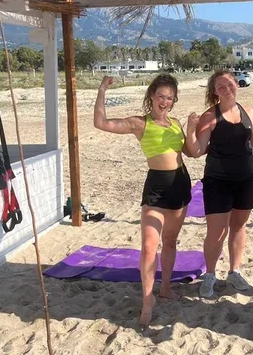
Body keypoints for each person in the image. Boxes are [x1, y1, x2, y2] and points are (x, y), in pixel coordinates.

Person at [93, 74, 191, 329]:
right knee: (148, 247)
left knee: (170, 241)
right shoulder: (140, 123)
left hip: (180, 185)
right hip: (156, 189)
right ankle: (148, 300)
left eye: (170, 98)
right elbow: (101, 123)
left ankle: (166, 288)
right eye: (161, 96)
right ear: (151, 96)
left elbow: (191, 151)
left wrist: (193, 128)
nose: (165, 102)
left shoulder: (175, 123)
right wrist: (102, 90)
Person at [186, 70, 253, 298]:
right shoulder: (210, 116)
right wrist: (189, 130)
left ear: (237, 84)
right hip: (218, 181)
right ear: (214, 92)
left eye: (229, 84)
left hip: (247, 179)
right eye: (221, 87)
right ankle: (210, 274)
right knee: (217, 231)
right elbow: (196, 151)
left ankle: (234, 271)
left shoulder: (248, 111)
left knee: (238, 227)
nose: (227, 89)